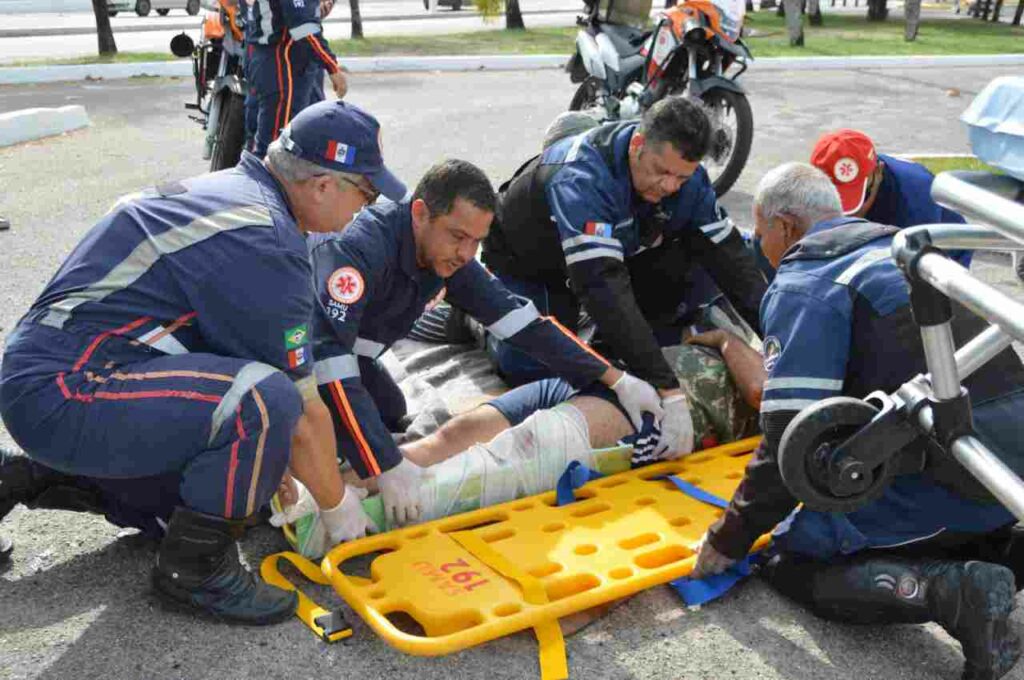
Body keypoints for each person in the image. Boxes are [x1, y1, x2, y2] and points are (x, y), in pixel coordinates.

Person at [0, 100, 405, 624]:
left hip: (59, 375)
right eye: (366, 194)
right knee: (266, 400)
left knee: (217, 487)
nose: (364, 211)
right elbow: (301, 409)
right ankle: (193, 571)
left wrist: (271, 462)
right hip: (68, 387)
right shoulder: (268, 239)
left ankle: (23, 476)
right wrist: (336, 505)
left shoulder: (238, 193)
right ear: (324, 185)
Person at [691, 162, 1024, 680]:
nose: (761, 248)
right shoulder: (906, 249)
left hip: (958, 460)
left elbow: (785, 441)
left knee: (791, 558)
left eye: (760, 235)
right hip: (1010, 464)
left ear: (784, 227)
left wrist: (729, 538)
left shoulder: (806, 282)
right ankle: (1006, 554)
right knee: (934, 508)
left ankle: (954, 594)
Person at [273, 159, 682, 532]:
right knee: (328, 441)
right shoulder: (359, 248)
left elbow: (525, 325)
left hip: (354, 355)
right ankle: (284, 480)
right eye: (458, 236)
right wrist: (384, 463)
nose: (467, 253)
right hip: (293, 360)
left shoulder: (451, 256)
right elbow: (329, 364)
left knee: (391, 413)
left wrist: (616, 378)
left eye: (476, 241)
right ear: (419, 214)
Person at [481, 97, 767, 440]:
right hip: (530, 260)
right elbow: (600, 285)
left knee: (696, 259)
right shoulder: (582, 175)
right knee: (536, 371)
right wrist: (669, 390)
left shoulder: (687, 181)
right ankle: (476, 318)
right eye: (661, 172)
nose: (669, 186)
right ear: (637, 143)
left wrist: (782, 344)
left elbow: (733, 261)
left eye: (681, 177)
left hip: (609, 251)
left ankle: (630, 346)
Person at [811, 129, 972, 268]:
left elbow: (905, 274)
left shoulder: (915, 199)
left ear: (879, 173)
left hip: (941, 252)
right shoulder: (805, 190)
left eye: (858, 196)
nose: (846, 215)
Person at [245, 0, 347, 158]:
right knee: (275, 149)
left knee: (311, 137)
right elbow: (303, 28)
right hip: (280, 63)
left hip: (299, 63)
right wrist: (332, 66)